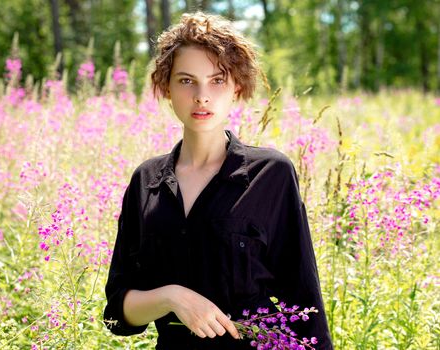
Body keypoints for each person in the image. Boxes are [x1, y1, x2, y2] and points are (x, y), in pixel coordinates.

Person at [103, 12, 333, 350]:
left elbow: (304, 300)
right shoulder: (145, 181)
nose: (202, 96)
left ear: (237, 87)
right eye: (186, 80)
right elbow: (117, 314)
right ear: (166, 87)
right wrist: (172, 297)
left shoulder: (271, 174)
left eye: (217, 80)